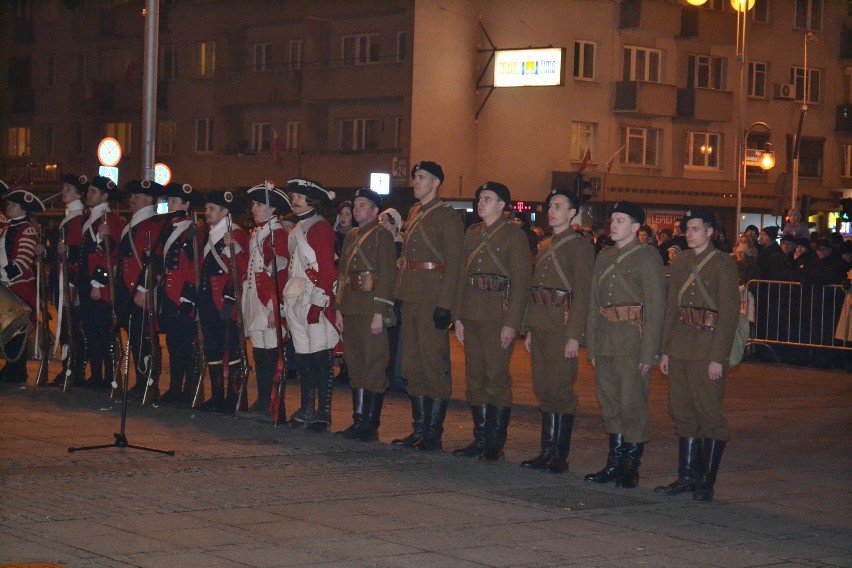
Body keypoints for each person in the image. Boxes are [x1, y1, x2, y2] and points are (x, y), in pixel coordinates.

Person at [657, 208, 739, 502]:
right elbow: (671, 309)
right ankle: (687, 476)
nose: (689, 234)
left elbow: (729, 314)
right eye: (687, 229)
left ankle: (706, 480)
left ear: (709, 231)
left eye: (695, 228)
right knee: (681, 410)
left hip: (707, 346)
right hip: (680, 344)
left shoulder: (723, 264)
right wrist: (665, 349)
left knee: (709, 411)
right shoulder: (680, 263)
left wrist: (719, 356)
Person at [585, 201, 666, 489]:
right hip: (607, 336)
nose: (614, 225)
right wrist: (592, 345)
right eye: (613, 220)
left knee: (631, 403)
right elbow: (595, 303)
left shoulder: (647, 257)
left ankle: (630, 466)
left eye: (621, 220)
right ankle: (614, 462)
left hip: (633, 339)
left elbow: (656, 306)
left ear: (636, 227)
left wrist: (649, 351)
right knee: (609, 403)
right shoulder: (604, 256)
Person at [452, 182, 531, 461]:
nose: (480, 202)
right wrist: (458, 316)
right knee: (475, 378)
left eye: (487, 198)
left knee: (495, 377)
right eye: (479, 197)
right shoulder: (472, 233)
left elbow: (521, 283)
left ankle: (495, 442)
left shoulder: (513, 236)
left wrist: (512, 323)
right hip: (472, 312)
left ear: (502, 205)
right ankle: (480, 437)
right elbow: (462, 276)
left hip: (498, 314)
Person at [520, 188, 594, 473]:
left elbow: (583, 294)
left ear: (572, 213)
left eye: (559, 206)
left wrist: (575, 335)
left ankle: (559, 456)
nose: (552, 211)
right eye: (551, 206)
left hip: (562, 328)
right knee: (544, 388)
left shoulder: (580, 246)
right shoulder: (545, 245)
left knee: (561, 390)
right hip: (541, 324)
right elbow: (534, 290)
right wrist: (529, 328)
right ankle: (546, 451)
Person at [392, 161, 464, 451]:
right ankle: (419, 429)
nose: (415, 182)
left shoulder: (446, 216)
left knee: (433, 363)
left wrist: (445, 304)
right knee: (413, 362)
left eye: (421, 177)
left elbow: (455, 263)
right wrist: (400, 294)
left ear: (436, 182)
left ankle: (433, 433)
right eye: (415, 177)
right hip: (412, 296)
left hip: (433, 297)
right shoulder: (415, 213)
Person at [334, 188, 396, 441]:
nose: (357, 209)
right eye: (356, 205)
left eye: (362, 205)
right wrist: (339, 307)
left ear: (374, 210)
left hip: (371, 307)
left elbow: (388, 276)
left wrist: (380, 312)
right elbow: (343, 274)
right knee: (356, 363)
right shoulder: (351, 235)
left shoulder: (383, 236)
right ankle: (358, 421)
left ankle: (370, 425)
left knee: (373, 364)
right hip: (352, 307)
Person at [282, 178, 339, 433]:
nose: (294, 199)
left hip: (314, 297)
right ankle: (306, 408)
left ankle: (323, 413)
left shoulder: (320, 228)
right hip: (296, 298)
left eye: (300, 197)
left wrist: (317, 304)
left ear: (312, 200)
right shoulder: (297, 229)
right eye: (293, 195)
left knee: (320, 358)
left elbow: (327, 271)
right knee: (304, 359)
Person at [237, 183, 290, 413]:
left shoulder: (277, 234)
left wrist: (274, 307)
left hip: (267, 300)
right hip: (255, 299)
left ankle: (274, 403)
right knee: (259, 352)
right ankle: (263, 399)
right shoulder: (258, 232)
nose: (254, 208)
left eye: (259, 204)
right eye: (254, 204)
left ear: (272, 209)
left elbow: (281, 274)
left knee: (270, 353)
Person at [197, 190, 249, 413]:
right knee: (213, 349)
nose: (206, 212)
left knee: (232, 350)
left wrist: (230, 298)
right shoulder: (208, 234)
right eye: (207, 208)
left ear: (225, 212)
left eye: (211, 209)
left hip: (226, 300)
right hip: (209, 298)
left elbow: (243, 268)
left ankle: (235, 398)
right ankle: (217, 396)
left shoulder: (236, 234)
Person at [115, 180, 166, 401]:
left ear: (147, 199)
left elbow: (156, 261)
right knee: (135, 338)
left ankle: (148, 384)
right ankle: (141, 382)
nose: (131, 199)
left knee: (145, 338)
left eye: (136, 195)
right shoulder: (134, 223)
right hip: (129, 288)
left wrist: (144, 289)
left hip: (141, 289)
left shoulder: (153, 224)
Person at [156, 182, 205, 404]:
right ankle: (175, 388)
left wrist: (187, 297)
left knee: (185, 345)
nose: (171, 205)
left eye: (175, 201)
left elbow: (194, 267)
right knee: (173, 344)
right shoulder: (171, 227)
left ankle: (188, 390)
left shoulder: (192, 230)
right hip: (168, 293)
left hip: (182, 296)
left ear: (186, 205)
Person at [78, 176, 125, 390]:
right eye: (88, 191)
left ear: (105, 196)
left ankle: (109, 378)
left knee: (104, 332)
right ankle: (96, 375)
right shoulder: (89, 218)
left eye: (93, 192)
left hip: (101, 286)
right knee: (91, 331)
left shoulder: (112, 221)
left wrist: (97, 284)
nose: (89, 195)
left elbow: (111, 256)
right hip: (86, 281)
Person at [0, 190, 46, 383]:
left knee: (17, 331)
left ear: (22, 209)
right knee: (8, 330)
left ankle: (17, 370)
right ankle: (12, 368)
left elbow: (22, 261)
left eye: (12, 205)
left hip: (18, 286)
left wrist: (3, 275)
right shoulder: (8, 228)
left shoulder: (26, 229)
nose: (8, 207)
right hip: (7, 285)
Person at [49, 174, 88, 387]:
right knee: (65, 327)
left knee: (71, 328)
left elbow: (74, 256)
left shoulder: (77, 219)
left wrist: (69, 285)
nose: (63, 191)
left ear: (77, 194)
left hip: (69, 281)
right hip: (62, 278)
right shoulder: (70, 217)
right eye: (64, 187)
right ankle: (69, 369)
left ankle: (73, 370)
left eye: (68, 188)